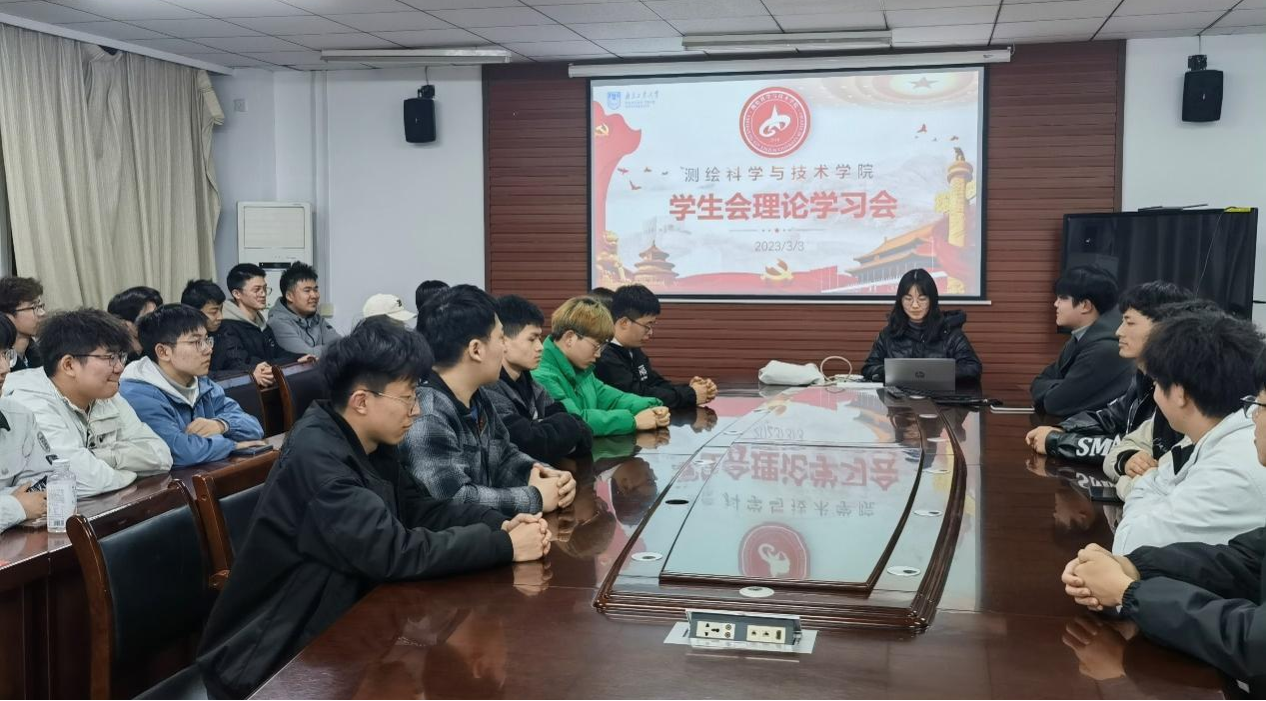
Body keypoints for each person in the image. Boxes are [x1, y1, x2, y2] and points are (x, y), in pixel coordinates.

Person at [196, 319, 551, 700]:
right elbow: (391, 552)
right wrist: (503, 546)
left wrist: (500, 524)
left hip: (333, 628)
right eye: (408, 397)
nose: (417, 411)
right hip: (273, 659)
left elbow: (419, 509)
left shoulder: (367, 441)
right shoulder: (320, 460)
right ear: (362, 401)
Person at [1060, 349, 1266, 697]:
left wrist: (1130, 592)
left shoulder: (1236, 462)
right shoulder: (1203, 438)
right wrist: (1134, 566)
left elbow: (1251, 639)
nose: (1253, 418)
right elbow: (1241, 562)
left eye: (1259, 405)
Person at [405, 286, 576, 515]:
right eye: (500, 338)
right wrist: (534, 497)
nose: (504, 347)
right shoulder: (427, 412)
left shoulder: (478, 397)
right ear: (476, 349)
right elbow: (452, 499)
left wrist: (550, 477)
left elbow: (504, 456)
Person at [1109, 311, 1266, 555]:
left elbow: (1129, 543)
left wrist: (1139, 482)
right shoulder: (1211, 437)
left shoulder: (1232, 469)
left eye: (1157, 384)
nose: (1155, 394)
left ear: (1180, 393)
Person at [1, 310, 171, 496]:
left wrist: (101, 456)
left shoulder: (106, 394)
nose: (120, 367)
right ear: (69, 365)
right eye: (110, 358)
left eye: (120, 356)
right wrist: (131, 472)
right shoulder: (29, 402)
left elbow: (162, 456)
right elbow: (83, 479)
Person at [1025, 282, 1193, 461]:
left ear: (1164, 328)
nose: (1118, 332)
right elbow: (1110, 417)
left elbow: (1139, 448)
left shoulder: (1179, 389)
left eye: (1129, 322)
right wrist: (1063, 429)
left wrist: (1057, 442)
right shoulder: (1143, 377)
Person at [119, 304, 267, 468]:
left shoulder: (203, 384)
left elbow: (254, 428)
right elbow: (179, 452)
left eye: (207, 340)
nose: (208, 349)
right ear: (163, 352)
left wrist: (221, 425)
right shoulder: (137, 394)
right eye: (197, 342)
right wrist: (232, 446)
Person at [533, 295, 669, 437]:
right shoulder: (541, 377)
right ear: (570, 338)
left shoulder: (583, 370)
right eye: (596, 346)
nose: (598, 355)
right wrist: (633, 421)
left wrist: (653, 407)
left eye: (602, 347)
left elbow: (615, 399)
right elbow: (574, 421)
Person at [486, 295, 592, 465]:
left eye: (539, 338)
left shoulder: (535, 386)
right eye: (532, 339)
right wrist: (563, 432)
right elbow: (531, 445)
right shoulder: (489, 389)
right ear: (503, 341)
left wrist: (549, 434)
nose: (540, 347)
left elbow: (585, 434)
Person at [1030, 266, 1134, 415]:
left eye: (1063, 298)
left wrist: (1058, 387)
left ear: (1085, 305)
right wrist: (1061, 386)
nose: (1055, 304)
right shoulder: (1079, 338)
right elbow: (1038, 382)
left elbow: (1055, 403)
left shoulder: (1105, 348)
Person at [595, 284, 717, 409]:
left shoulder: (633, 349)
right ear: (624, 322)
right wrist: (690, 395)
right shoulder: (604, 356)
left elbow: (654, 382)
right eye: (647, 325)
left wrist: (691, 389)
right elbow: (639, 395)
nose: (650, 332)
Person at [860, 268, 982, 383]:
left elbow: (973, 368)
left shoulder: (950, 333)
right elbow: (869, 368)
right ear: (900, 301)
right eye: (908, 299)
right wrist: (892, 372)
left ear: (932, 300)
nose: (915, 305)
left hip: (940, 397)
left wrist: (935, 373)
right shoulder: (889, 333)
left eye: (922, 299)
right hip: (898, 396)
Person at [210, 264, 309, 387]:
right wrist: (284, 362)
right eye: (256, 290)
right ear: (237, 294)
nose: (263, 294)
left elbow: (278, 353)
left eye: (265, 288)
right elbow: (240, 365)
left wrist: (300, 358)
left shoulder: (262, 325)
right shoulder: (226, 327)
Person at [0, 314, 51, 532]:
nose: (4, 368)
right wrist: (15, 505)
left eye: (5, 354)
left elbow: (46, 483)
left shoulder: (19, 415)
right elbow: (24, 503)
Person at [267, 262, 341, 358]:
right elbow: (307, 356)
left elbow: (342, 346)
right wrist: (331, 349)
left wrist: (321, 350)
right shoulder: (277, 323)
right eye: (307, 290)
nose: (314, 295)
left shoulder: (317, 319)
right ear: (289, 296)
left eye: (315, 290)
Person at [0, 276, 46, 372]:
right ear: (8, 315)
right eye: (34, 307)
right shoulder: (3, 366)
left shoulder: (42, 354)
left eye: (41, 306)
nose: (42, 313)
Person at [107, 286, 163, 363]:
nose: (157, 322)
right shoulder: (115, 362)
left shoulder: (156, 352)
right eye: (149, 317)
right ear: (124, 325)